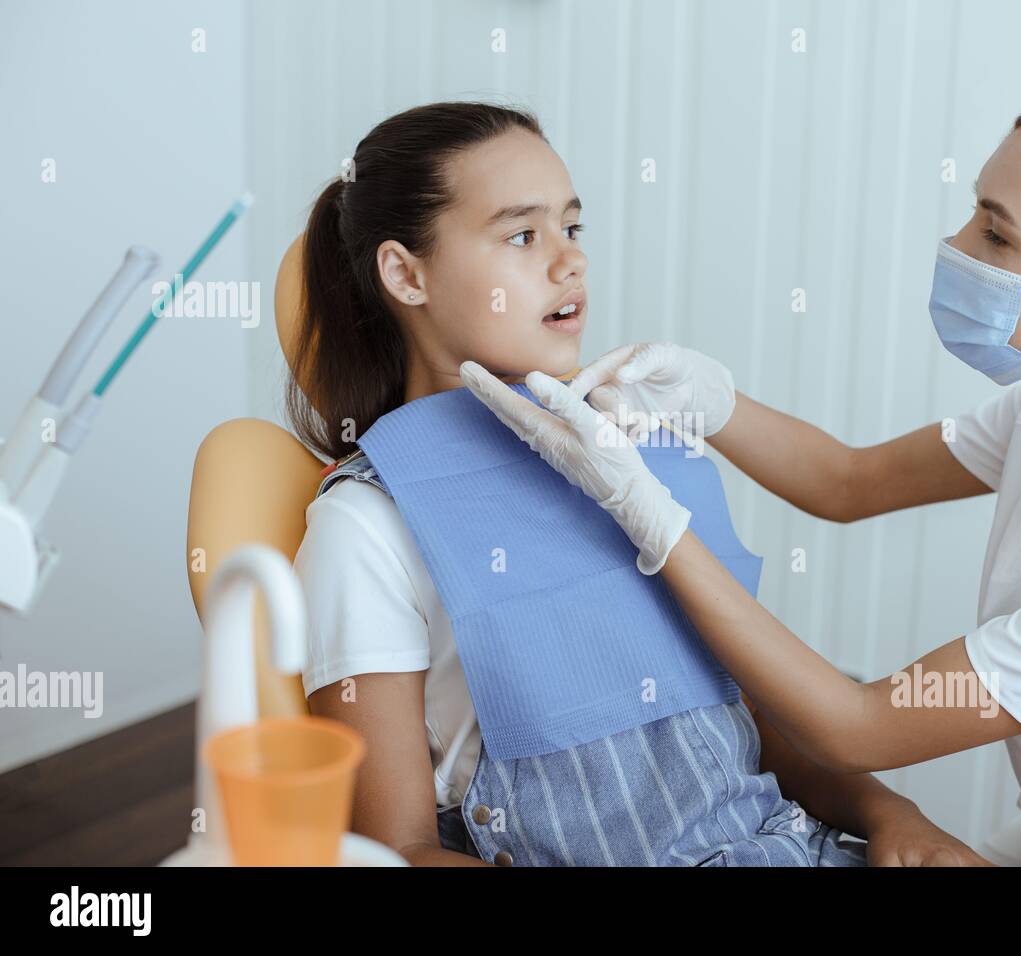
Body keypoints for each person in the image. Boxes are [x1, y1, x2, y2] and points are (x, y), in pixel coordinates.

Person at [462, 84, 1021, 866]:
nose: (960, 248)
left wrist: (645, 512)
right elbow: (847, 483)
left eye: (998, 235)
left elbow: (854, 727)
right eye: (974, 213)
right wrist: (710, 403)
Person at [288, 100, 980, 866]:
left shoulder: (627, 456)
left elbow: (747, 721)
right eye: (523, 235)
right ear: (405, 274)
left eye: (572, 228)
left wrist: (893, 814)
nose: (569, 261)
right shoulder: (369, 525)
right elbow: (396, 851)